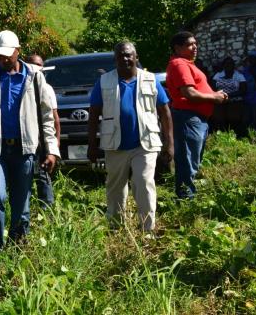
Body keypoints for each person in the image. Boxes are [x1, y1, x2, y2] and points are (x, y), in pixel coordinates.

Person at [0, 30, 59, 255]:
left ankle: (17, 251)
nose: (3, 59)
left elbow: (47, 117)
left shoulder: (35, 77)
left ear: (18, 51)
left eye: (7, 55)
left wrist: (51, 150)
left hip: (24, 150)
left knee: (21, 206)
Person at [87, 42, 173, 232]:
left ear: (136, 57)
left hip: (145, 144)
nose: (124, 59)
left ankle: (147, 231)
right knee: (115, 188)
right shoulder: (104, 81)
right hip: (115, 145)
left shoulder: (150, 80)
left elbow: (165, 111)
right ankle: (116, 229)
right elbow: (93, 114)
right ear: (115, 59)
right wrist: (92, 144)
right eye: (120, 56)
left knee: (143, 183)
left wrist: (170, 144)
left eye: (128, 55)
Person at [165, 31, 228, 200]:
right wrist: (214, 97)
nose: (195, 47)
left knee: (192, 160)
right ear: (178, 48)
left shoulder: (187, 63)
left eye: (195, 44)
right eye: (190, 44)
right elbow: (189, 93)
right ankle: (186, 200)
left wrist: (214, 94)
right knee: (187, 162)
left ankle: (188, 197)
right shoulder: (180, 64)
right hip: (188, 118)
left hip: (195, 119)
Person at [25, 53, 60, 209]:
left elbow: (53, 117)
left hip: (40, 142)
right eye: (33, 64)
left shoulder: (46, 88)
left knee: (42, 175)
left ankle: (47, 209)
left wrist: (54, 145)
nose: (36, 68)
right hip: (24, 140)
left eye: (39, 65)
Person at [211, 57, 246, 133]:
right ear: (223, 65)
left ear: (234, 65)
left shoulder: (239, 76)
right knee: (219, 119)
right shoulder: (218, 75)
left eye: (231, 64)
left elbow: (243, 90)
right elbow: (212, 87)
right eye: (227, 64)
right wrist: (220, 95)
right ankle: (221, 136)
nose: (229, 65)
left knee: (234, 119)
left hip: (234, 101)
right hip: (220, 100)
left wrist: (227, 95)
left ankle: (234, 135)